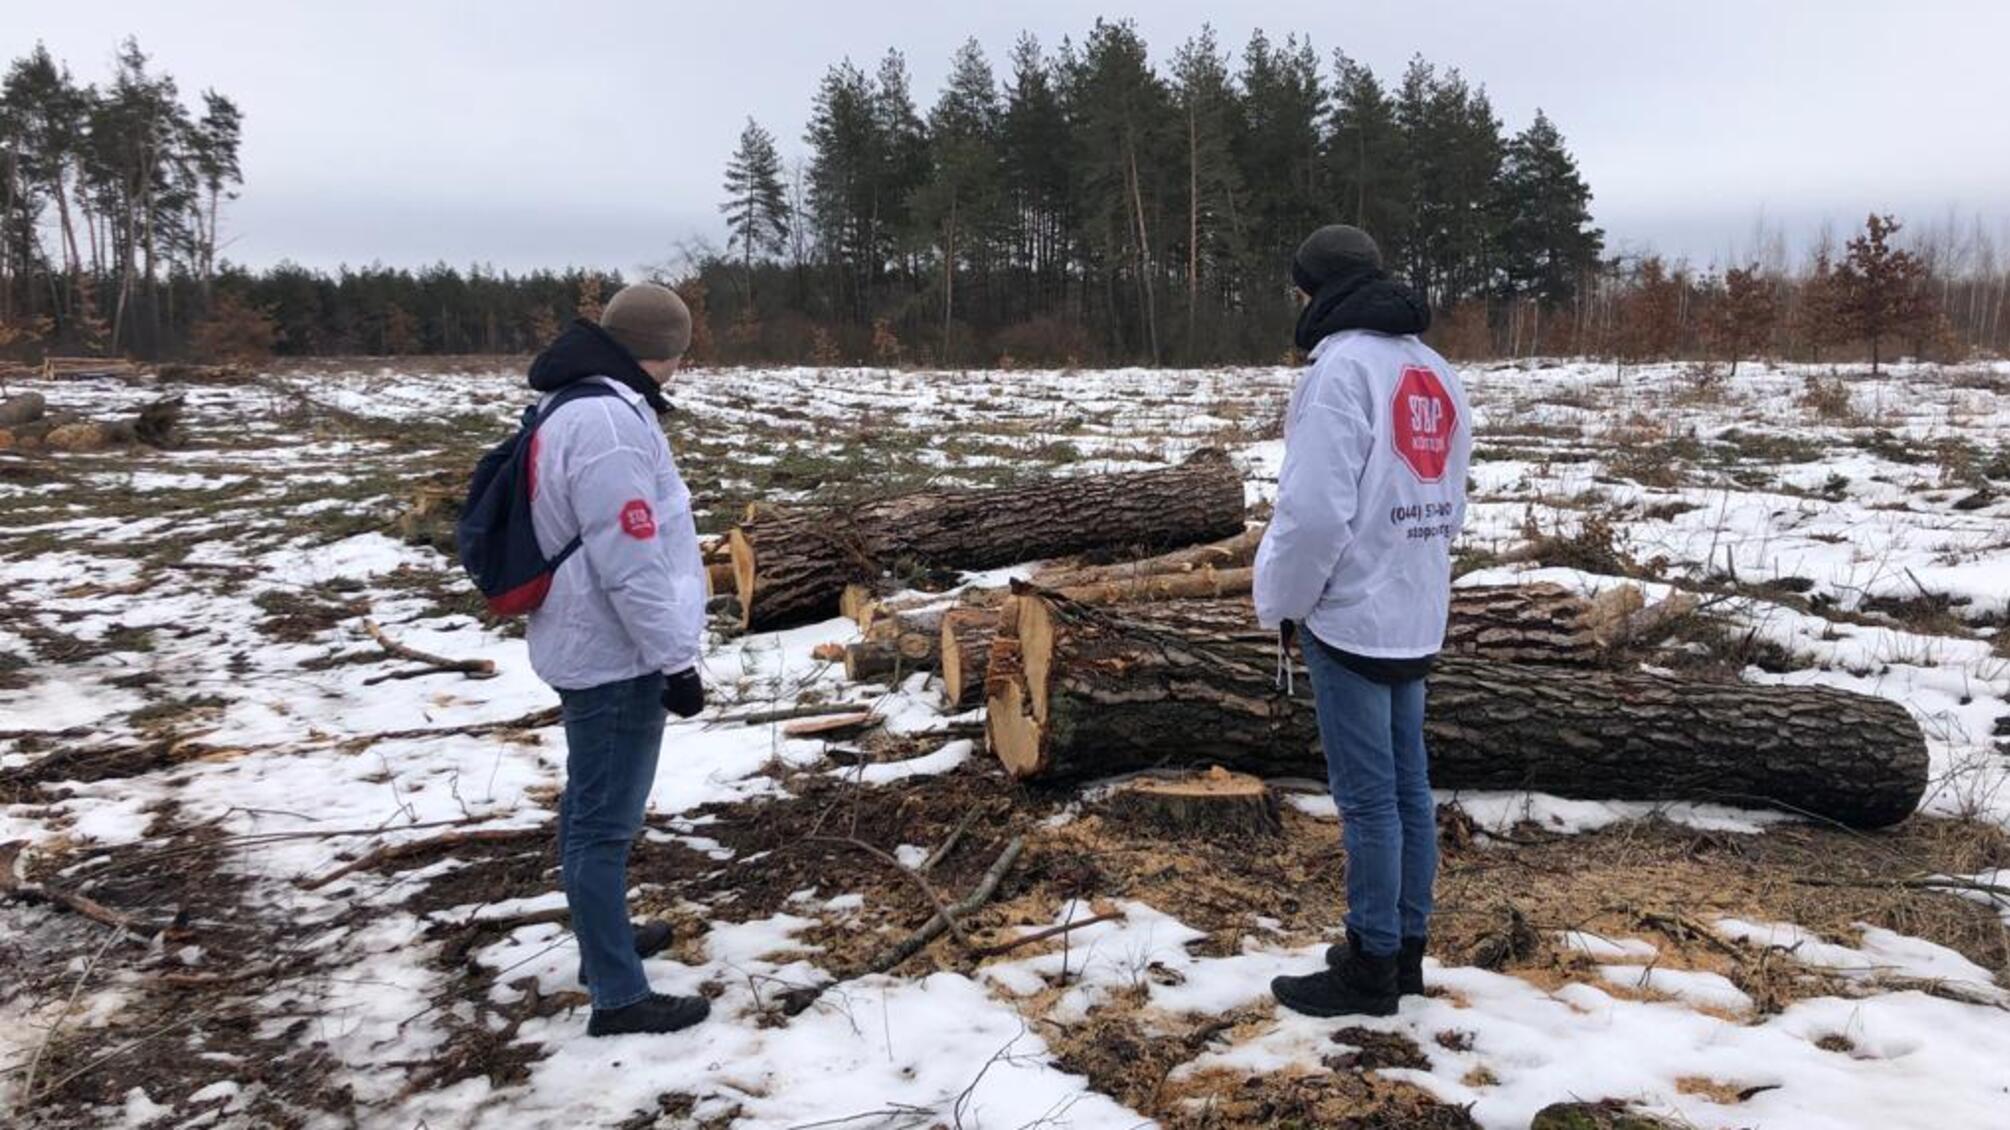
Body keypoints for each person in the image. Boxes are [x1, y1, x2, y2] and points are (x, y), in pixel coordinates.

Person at [1255, 225, 1473, 1019]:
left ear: (1310, 291)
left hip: (1350, 614)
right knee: (1409, 789)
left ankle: (1371, 964)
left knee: (1371, 799)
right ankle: (1405, 949)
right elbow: (1451, 492)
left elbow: (1312, 515)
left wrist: (1282, 602)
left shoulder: (1339, 371)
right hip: (1414, 608)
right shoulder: (1432, 366)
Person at [525, 283, 712, 1036]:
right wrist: (675, 661)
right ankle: (618, 996)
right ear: (670, 348)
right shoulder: (606, 422)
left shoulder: (588, 403)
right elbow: (629, 556)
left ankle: (603, 946)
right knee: (603, 824)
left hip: (599, 641)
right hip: (616, 652)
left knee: (588, 808)